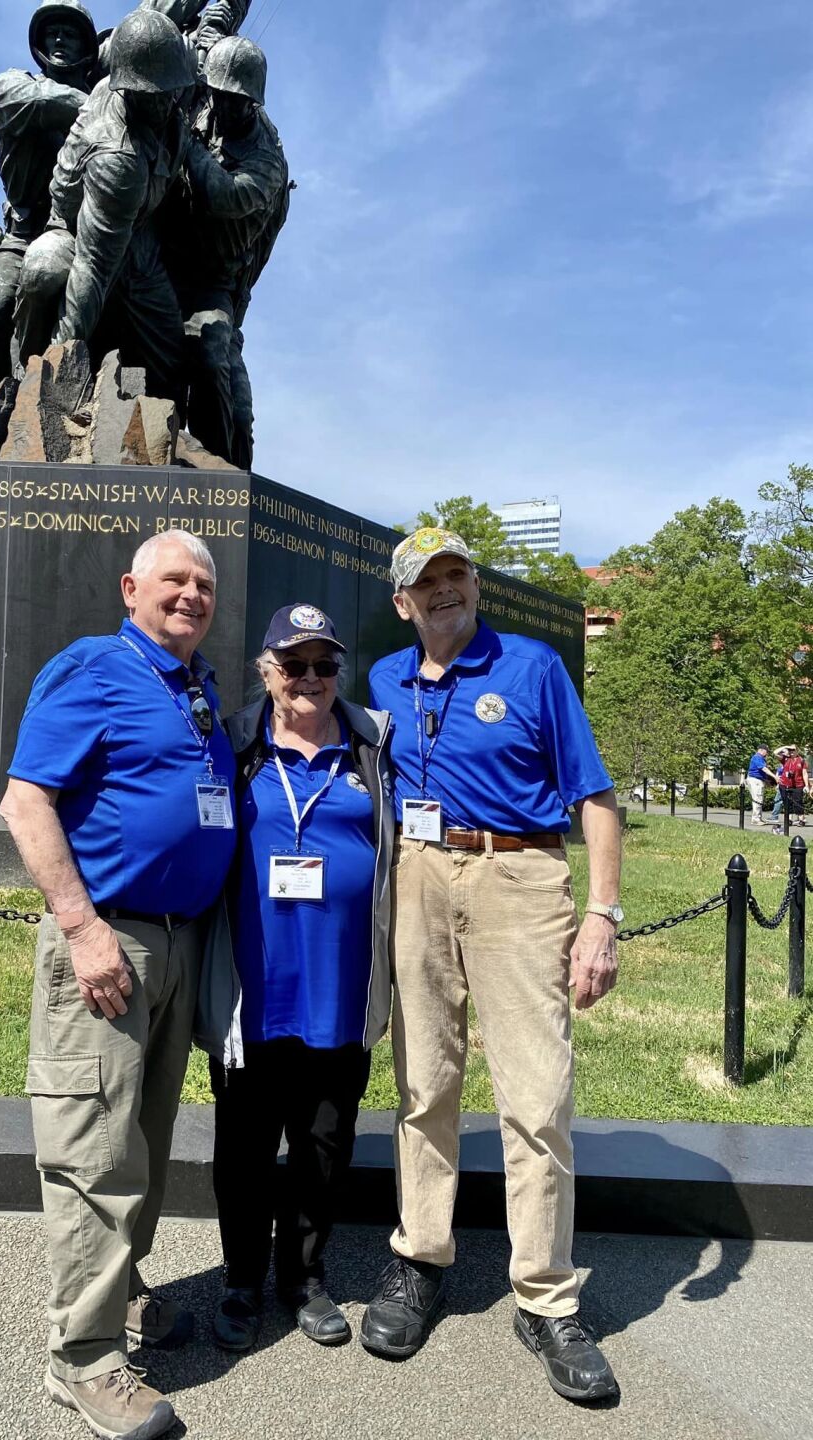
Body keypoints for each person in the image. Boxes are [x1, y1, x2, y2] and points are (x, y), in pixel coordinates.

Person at [362, 527, 623, 1405]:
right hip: (420, 877)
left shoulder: (534, 667)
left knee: (536, 1091)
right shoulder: (383, 680)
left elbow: (594, 796)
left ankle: (545, 1296)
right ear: (403, 603)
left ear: (475, 587)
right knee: (425, 1080)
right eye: (426, 582)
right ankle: (422, 1257)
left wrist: (600, 916)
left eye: (457, 575)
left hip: (520, 873)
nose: (445, 591)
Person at [0, 529, 236, 1440]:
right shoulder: (92, 668)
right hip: (111, 944)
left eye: (204, 585)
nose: (191, 595)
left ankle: (122, 1292)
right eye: (174, 580)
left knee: (141, 1139)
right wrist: (82, 927)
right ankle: (84, 1358)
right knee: (93, 1150)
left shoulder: (199, 688)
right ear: (131, 586)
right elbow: (26, 800)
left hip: (177, 946)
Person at [194, 604, 394, 1351]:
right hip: (253, 990)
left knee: (324, 1145)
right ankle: (242, 1279)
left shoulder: (374, 749)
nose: (309, 679)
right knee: (243, 1150)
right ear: (266, 671)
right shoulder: (236, 744)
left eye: (324, 664)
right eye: (293, 664)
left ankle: (303, 1279)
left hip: (340, 990)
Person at [52, 7, 197, 408]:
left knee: (169, 353)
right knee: (82, 301)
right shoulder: (117, 156)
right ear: (131, 91)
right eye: (157, 94)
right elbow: (92, 269)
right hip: (83, 228)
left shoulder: (168, 88)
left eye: (173, 90)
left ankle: (165, 445)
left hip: (140, 236)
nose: (167, 101)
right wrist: (59, 367)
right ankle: (43, 383)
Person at [0, 0, 102, 403]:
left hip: (86, 236)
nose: (59, 38)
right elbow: (44, 103)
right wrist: (101, 107)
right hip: (23, 235)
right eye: (52, 31)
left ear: (86, 46)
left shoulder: (104, 97)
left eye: (70, 32)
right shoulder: (12, 86)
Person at [160, 34, 290, 466]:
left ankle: (217, 479)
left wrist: (184, 140)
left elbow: (224, 195)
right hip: (166, 260)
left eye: (239, 101)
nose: (227, 108)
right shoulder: (201, 101)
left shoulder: (266, 160)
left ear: (254, 101)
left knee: (214, 349)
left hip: (215, 281)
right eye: (220, 96)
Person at [774, 745, 809, 832]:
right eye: (790, 750)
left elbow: (804, 774)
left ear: (797, 751)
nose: (791, 752)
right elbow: (775, 753)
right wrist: (785, 746)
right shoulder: (785, 759)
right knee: (786, 802)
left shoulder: (801, 761)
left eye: (793, 750)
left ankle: (801, 819)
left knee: (798, 801)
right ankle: (788, 819)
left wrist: (807, 785)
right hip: (785, 784)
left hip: (798, 784)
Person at [746, 745, 775, 825]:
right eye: (767, 751)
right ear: (762, 750)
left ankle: (758, 818)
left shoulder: (760, 758)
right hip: (755, 780)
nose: (767, 753)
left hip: (758, 780)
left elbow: (761, 772)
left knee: (759, 799)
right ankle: (755, 819)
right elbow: (764, 769)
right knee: (757, 799)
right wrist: (774, 776)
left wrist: (766, 781)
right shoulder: (757, 757)